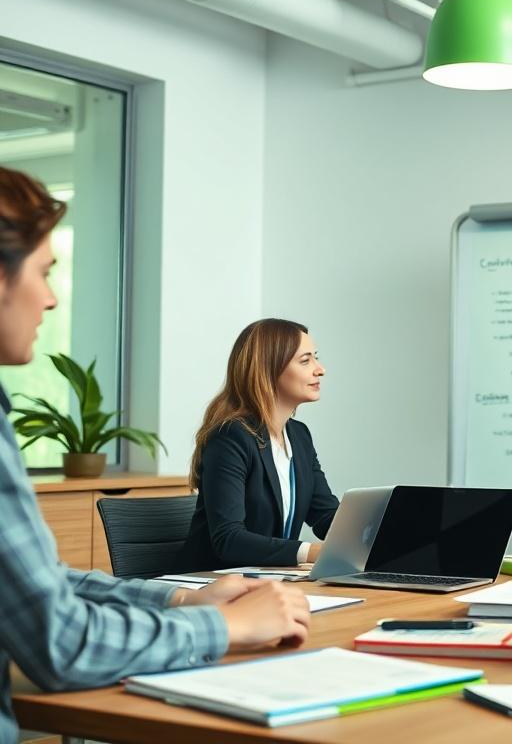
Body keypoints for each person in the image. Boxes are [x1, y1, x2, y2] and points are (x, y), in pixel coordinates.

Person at [0, 166, 311, 743]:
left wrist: (178, 596)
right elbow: (61, 645)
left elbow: (35, 585)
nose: (49, 299)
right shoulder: (232, 437)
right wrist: (219, 625)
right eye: (45, 273)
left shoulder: (302, 436)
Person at [176, 318, 339, 572]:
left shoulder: (299, 436)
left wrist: (377, 535)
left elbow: (325, 515)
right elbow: (229, 540)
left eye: (315, 358)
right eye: (306, 361)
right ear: (268, 369)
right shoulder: (230, 436)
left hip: (270, 579)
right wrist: (311, 552)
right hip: (213, 584)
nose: (320, 369)